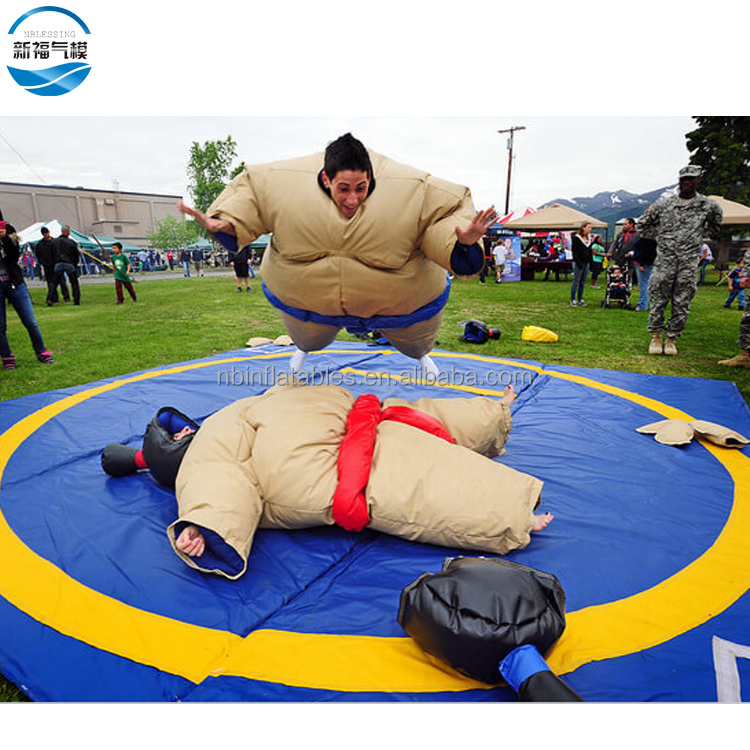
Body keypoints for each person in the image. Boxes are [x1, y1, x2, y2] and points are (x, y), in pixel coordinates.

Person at [103, 383, 552, 580]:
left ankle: (492, 416)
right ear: (174, 451)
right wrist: (204, 524)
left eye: (182, 427)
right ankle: (509, 514)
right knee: (404, 475)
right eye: (177, 434)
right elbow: (217, 484)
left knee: (407, 418)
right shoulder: (204, 455)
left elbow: (281, 398)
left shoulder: (234, 414)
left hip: (335, 422)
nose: (185, 431)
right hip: (320, 466)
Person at [178, 133, 496, 377]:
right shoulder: (280, 184)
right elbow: (252, 198)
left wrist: (463, 242)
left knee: (416, 344)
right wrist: (227, 223)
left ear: (372, 178)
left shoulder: (414, 189)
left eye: (362, 187)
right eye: (344, 188)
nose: (353, 198)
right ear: (326, 178)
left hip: (401, 301)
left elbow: (443, 218)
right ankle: (303, 350)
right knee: (309, 340)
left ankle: (422, 354)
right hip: (309, 301)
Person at [638, 166, 723, 356]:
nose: (686, 182)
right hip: (664, 262)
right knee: (658, 299)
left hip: (688, 263)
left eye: (691, 179)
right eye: (683, 179)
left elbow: (716, 226)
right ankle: (656, 336)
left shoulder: (708, 205)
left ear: (698, 180)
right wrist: (661, 237)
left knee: (682, 302)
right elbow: (642, 225)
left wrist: (698, 237)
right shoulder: (663, 204)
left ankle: (672, 339)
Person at [0, 217, 55, 369]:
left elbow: (14, 255)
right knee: (0, 326)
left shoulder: (8, 230)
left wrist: (4, 238)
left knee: (30, 321)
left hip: (15, 282)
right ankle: (7, 357)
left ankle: (41, 351)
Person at [35, 226, 69, 306]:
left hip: (56, 265)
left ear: (49, 232)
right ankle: (54, 298)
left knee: (62, 282)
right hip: (47, 266)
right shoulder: (40, 244)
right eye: (44, 234)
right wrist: (43, 263)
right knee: (51, 283)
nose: (45, 235)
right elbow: (39, 255)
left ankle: (66, 297)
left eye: (46, 233)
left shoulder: (55, 242)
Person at [51, 224, 81, 306]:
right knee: (74, 282)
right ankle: (76, 300)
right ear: (68, 232)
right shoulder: (71, 242)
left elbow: (52, 253)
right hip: (69, 263)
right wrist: (75, 264)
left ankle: (50, 298)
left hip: (58, 263)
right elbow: (76, 255)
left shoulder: (54, 242)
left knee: (54, 283)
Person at [570, 221, 593, 306]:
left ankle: (580, 298)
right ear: (583, 228)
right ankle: (573, 299)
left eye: (591, 228)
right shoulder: (577, 238)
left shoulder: (589, 239)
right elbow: (575, 252)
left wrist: (591, 262)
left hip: (586, 262)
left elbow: (590, 251)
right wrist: (578, 262)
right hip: (578, 262)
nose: (590, 229)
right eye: (588, 227)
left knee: (582, 282)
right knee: (576, 281)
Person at [632, 235, 657, 312]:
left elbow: (646, 251)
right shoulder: (651, 238)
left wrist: (642, 264)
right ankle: (645, 303)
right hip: (645, 262)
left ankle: (642, 305)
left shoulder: (647, 239)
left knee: (644, 284)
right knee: (645, 284)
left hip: (644, 263)